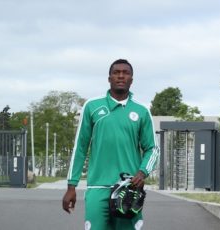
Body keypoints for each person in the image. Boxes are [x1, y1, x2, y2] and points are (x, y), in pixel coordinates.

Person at [62, 59, 159, 230]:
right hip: (97, 188)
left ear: (131, 79)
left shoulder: (142, 111)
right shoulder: (92, 106)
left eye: (125, 73)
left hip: (128, 189)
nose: (121, 76)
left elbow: (152, 149)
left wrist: (142, 172)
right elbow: (80, 147)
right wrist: (72, 185)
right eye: (116, 72)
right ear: (109, 78)